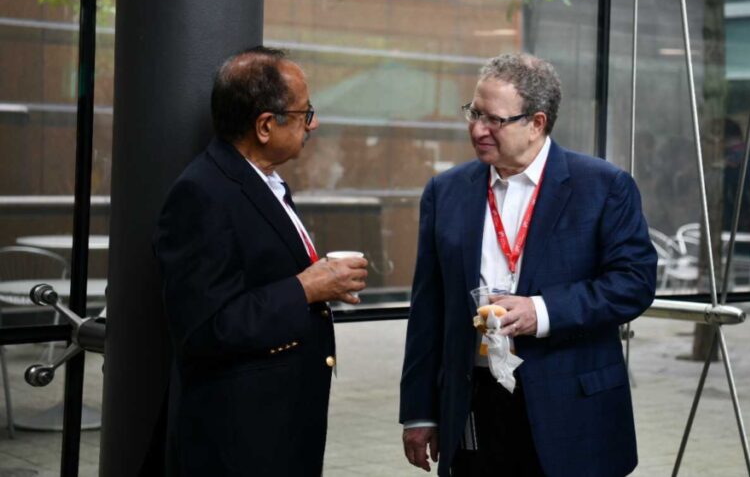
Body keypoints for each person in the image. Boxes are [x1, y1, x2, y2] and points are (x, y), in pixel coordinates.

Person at [400, 53, 657, 477]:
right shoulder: (445, 191)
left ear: (537, 123)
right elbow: (428, 308)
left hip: (572, 409)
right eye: (474, 112)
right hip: (474, 405)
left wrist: (540, 311)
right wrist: (419, 412)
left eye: (494, 120)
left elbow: (633, 283)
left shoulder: (603, 186)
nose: (478, 129)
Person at [153, 46, 368, 475]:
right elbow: (206, 329)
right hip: (240, 439)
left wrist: (322, 282)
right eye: (306, 112)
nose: (315, 123)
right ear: (266, 125)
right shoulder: (204, 193)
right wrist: (308, 287)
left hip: (279, 424)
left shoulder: (263, 179)